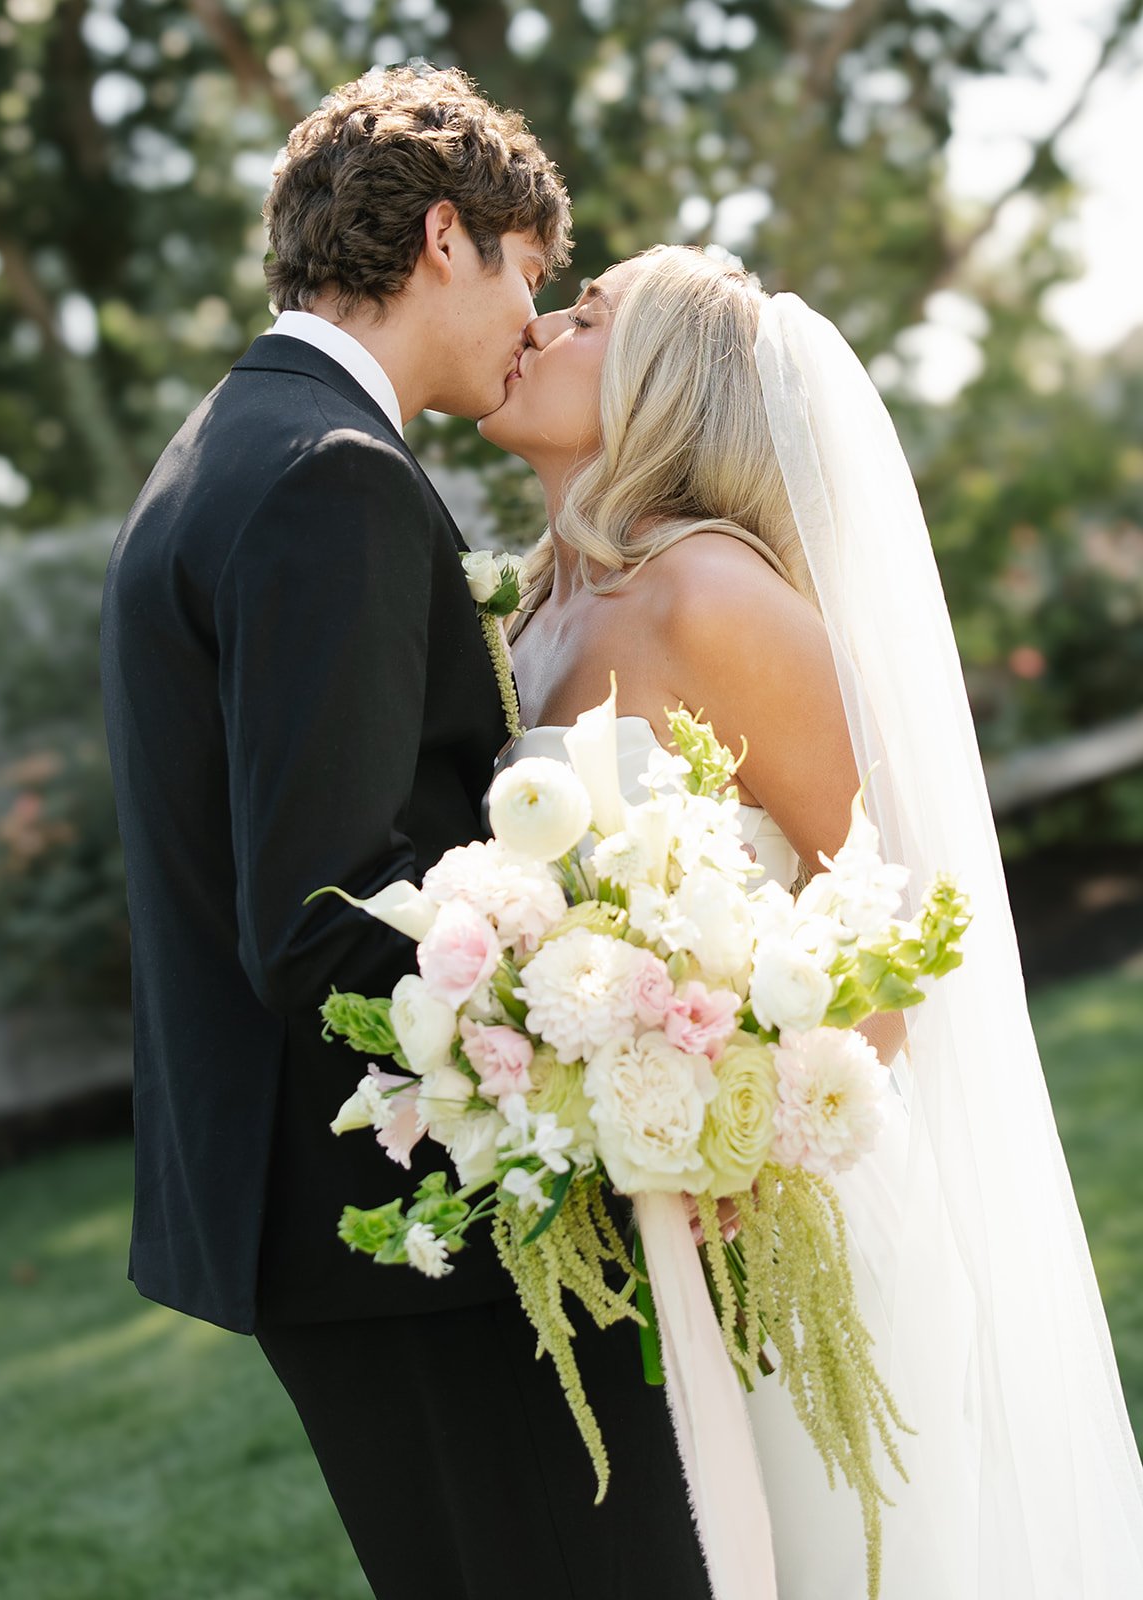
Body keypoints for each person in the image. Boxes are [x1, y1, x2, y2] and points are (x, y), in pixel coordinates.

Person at [100, 70, 712, 1600]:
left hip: (318, 1227)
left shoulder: (224, 448)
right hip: (408, 1228)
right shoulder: (333, 479)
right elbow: (328, 904)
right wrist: (608, 1010)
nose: (532, 318)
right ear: (448, 236)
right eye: (526, 274)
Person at [479, 243, 1143, 1596]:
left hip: (786, 1218)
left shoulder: (709, 596)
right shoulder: (530, 615)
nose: (540, 325)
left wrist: (733, 1136)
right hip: (636, 1206)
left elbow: (885, 933)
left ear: (666, 382)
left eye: (587, 314)